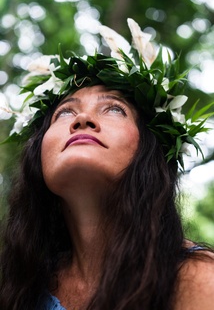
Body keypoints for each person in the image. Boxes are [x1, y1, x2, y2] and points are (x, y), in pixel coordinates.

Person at [0, 18, 214, 310]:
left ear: (148, 149)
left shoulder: (199, 281)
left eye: (114, 108)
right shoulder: (18, 284)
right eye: (64, 113)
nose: (82, 119)